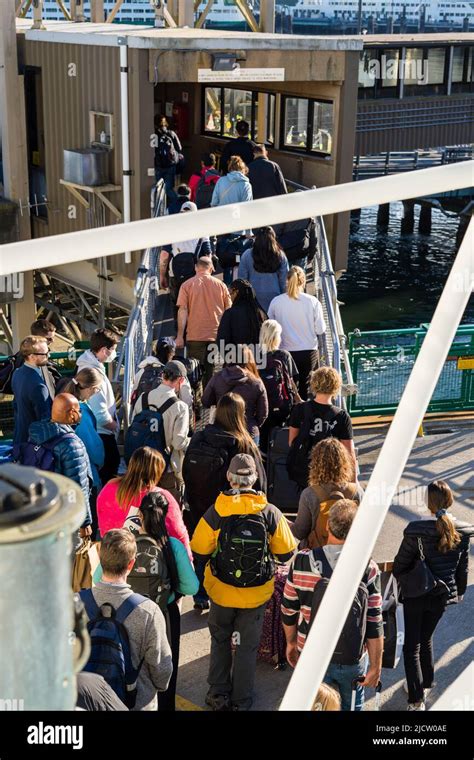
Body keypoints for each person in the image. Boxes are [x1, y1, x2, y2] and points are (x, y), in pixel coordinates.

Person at [191, 453, 297, 711]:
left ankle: (217, 694)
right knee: (246, 647)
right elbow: (286, 553)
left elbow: (199, 550)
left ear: (229, 478)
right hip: (256, 593)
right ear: (255, 479)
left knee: (220, 641)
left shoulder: (217, 511)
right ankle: (242, 700)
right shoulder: (270, 513)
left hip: (221, 590)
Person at [282, 499, 384, 711]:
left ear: (327, 525)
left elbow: (289, 610)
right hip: (352, 658)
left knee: (314, 705)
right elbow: (374, 621)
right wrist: (376, 665)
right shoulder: (368, 568)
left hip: (311, 654)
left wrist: (291, 644)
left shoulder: (302, 562)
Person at [393, 480, 473, 711]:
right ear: (449, 501)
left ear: (427, 502)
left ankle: (417, 699)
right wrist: (459, 593)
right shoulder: (461, 531)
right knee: (426, 639)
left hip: (417, 594)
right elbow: (463, 568)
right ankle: (426, 682)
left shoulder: (416, 531)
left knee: (411, 648)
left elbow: (400, 565)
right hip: (442, 596)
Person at [183, 392, 267, 610]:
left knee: (202, 551)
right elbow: (260, 481)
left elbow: (186, 470)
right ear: (240, 415)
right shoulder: (242, 443)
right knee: (228, 553)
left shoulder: (200, 436)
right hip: (230, 511)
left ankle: (200, 596)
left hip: (198, 505)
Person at [81, 529, 173, 711]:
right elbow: (162, 673)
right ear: (131, 564)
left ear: (100, 558)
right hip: (136, 703)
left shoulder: (75, 604)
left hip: (88, 703)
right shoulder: (149, 611)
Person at [132, 491, 199, 711]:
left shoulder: (126, 543)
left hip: (128, 614)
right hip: (164, 615)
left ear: (139, 515)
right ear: (166, 515)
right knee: (164, 670)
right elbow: (192, 587)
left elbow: (97, 579)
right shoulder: (172, 546)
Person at [96, 446, 192, 558]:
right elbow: (178, 534)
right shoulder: (161, 496)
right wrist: (188, 561)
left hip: (112, 557)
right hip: (151, 562)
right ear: (156, 472)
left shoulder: (109, 488)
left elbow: (103, 526)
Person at [27, 393, 93, 535]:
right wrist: (85, 522)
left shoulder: (36, 434)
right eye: (79, 410)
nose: (80, 414)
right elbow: (79, 486)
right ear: (72, 413)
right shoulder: (72, 445)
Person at [287, 367, 356, 490]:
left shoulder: (299, 409)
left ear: (314, 384)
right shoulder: (341, 416)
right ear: (336, 387)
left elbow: (292, 442)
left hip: (304, 472)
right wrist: (354, 485)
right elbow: (349, 454)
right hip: (331, 474)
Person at [130, 361, 190, 499]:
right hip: (166, 468)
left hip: (141, 466)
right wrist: (191, 441)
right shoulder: (180, 407)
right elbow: (178, 443)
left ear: (162, 376)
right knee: (168, 513)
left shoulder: (143, 397)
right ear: (181, 380)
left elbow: (134, 426)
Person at [291, 438, 363, 548]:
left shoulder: (309, 494)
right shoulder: (356, 491)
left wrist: (281, 519)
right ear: (345, 462)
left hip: (317, 554)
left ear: (315, 464)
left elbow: (299, 533)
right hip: (349, 552)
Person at [268, 266, 326, 399]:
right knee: (305, 388)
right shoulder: (313, 302)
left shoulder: (276, 302)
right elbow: (320, 329)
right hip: (308, 351)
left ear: (286, 281)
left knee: (286, 386)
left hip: (284, 351)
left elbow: (270, 327)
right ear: (303, 281)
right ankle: (302, 415)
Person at [176, 256, 232, 388]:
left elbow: (182, 311)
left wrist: (179, 336)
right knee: (213, 372)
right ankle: (211, 402)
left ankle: (196, 401)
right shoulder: (221, 286)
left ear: (196, 267)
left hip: (194, 336)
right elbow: (229, 311)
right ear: (211, 268)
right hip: (216, 336)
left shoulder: (187, 285)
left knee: (194, 372)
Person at [62, 368, 105, 538]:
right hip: (86, 475)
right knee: (89, 533)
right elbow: (94, 449)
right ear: (89, 388)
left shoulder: (64, 402)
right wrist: (101, 462)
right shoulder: (81, 413)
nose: (96, 393)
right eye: (96, 389)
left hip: (66, 476)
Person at [76, 328, 120, 485]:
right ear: (103, 350)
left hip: (101, 430)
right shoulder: (92, 373)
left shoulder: (90, 366)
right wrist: (114, 426)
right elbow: (100, 412)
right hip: (102, 432)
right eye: (113, 350)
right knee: (110, 469)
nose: (114, 354)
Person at [202, 345, 268, 443]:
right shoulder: (256, 382)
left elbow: (205, 401)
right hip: (248, 432)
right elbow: (263, 413)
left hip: (221, 430)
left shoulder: (217, 377)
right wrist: (252, 423)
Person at [159, 202, 213, 309]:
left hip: (175, 273)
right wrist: (208, 273)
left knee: (178, 305)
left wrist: (162, 275)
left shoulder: (171, 228)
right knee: (195, 305)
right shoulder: (203, 228)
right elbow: (208, 254)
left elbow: (164, 255)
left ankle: (178, 324)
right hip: (195, 273)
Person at [258, 319, 300, 452]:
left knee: (263, 439)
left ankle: (265, 464)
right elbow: (293, 381)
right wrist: (298, 399)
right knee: (283, 437)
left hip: (262, 406)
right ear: (276, 337)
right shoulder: (284, 355)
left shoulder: (255, 356)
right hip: (283, 405)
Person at [131, 337, 193, 417]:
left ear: (156, 350)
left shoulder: (143, 370)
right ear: (173, 353)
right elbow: (187, 401)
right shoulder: (178, 372)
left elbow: (133, 395)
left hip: (143, 422)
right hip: (169, 419)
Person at [12, 336, 53, 449]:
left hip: (20, 437)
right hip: (34, 444)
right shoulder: (38, 386)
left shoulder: (17, 373)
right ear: (31, 356)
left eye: (48, 351)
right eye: (44, 354)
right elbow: (44, 420)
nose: (48, 355)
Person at [238, 226, 289, 314]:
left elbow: (242, 280)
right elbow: (284, 282)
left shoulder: (247, 255)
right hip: (275, 298)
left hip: (253, 299)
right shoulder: (280, 256)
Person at [216, 279, 266, 355]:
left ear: (236, 292)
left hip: (235, 361)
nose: (230, 297)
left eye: (230, 294)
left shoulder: (230, 314)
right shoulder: (261, 313)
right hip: (258, 361)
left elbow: (222, 340)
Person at [211, 155, 253, 238]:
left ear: (230, 168)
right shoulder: (246, 185)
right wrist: (248, 232)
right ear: (243, 169)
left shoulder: (221, 180)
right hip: (237, 227)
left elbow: (214, 203)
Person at [154, 115, 182, 202]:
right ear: (165, 123)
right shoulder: (171, 133)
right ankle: (177, 204)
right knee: (169, 189)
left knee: (158, 189)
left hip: (159, 166)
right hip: (170, 166)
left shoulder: (154, 135)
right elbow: (179, 148)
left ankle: (160, 209)